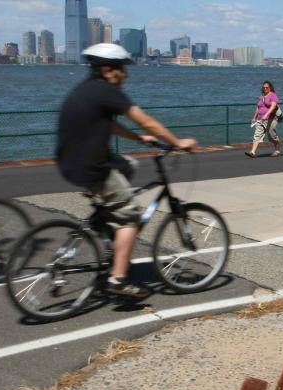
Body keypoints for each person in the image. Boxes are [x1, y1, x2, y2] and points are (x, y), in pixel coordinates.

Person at [56, 43, 197, 298]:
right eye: (122, 68)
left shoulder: (87, 89)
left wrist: (139, 138)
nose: (126, 74)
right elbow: (146, 121)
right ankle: (118, 279)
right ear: (108, 70)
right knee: (131, 216)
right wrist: (177, 143)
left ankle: (106, 223)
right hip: (93, 167)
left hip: (70, 161)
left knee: (129, 165)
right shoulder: (107, 92)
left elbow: (110, 125)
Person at [246, 80, 281, 158]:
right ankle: (252, 152)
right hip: (260, 119)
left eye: (267, 87)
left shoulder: (273, 95)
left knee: (272, 136)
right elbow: (258, 107)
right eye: (264, 87)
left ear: (270, 88)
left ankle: (277, 150)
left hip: (271, 119)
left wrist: (266, 115)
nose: (265, 88)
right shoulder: (262, 97)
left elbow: (273, 106)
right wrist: (254, 117)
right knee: (257, 135)